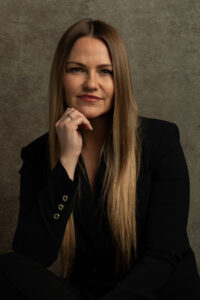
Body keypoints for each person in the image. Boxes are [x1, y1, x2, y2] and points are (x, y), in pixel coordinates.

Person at [0, 18, 200, 300]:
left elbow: (161, 257)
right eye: (77, 69)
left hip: (155, 294)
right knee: (7, 268)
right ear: (61, 76)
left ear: (120, 81)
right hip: (88, 293)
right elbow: (33, 256)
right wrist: (67, 161)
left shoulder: (160, 141)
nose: (91, 83)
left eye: (105, 71)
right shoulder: (38, 155)